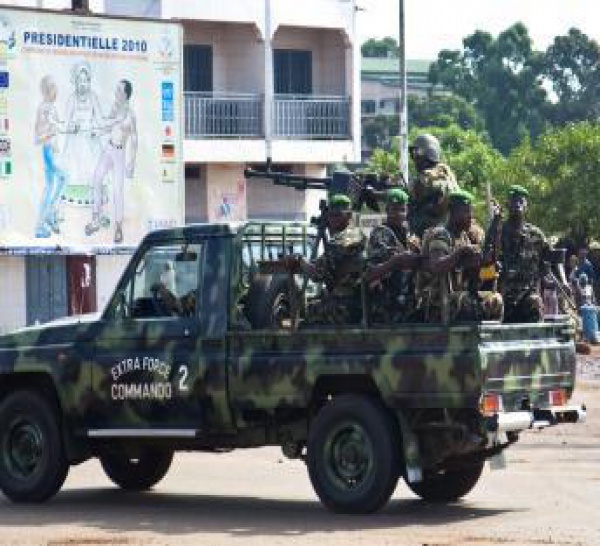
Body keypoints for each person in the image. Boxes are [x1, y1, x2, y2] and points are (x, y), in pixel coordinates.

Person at [420, 189, 503, 323]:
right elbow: (437, 266)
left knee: (495, 300)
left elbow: (474, 280)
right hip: (436, 300)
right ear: (453, 212)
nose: (470, 216)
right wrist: (461, 252)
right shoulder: (441, 234)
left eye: (471, 212)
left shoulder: (464, 238)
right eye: (466, 211)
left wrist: (485, 266)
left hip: (457, 297)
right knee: (467, 303)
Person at [287, 194, 366, 325]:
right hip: (362, 305)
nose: (332, 219)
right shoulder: (358, 234)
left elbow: (316, 274)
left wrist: (300, 260)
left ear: (348, 216)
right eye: (330, 215)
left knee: (307, 316)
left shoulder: (340, 240)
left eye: (338, 215)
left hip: (345, 308)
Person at [496, 185, 563, 323]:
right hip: (503, 295)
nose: (517, 204)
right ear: (508, 205)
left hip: (528, 296)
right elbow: (487, 259)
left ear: (527, 206)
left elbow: (553, 257)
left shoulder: (536, 234)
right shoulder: (498, 232)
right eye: (514, 200)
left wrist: (564, 281)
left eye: (521, 201)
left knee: (535, 303)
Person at [85, 79, 138, 244]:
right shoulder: (115, 107)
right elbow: (108, 127)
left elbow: (135, 139)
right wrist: (98, 133)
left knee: (117, 191)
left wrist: (132, 162)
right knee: (96, 179)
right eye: (116, 90)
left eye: (119, 91)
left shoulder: (130, 115)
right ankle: (95, 219)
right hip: (108, 149)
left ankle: (118, 228)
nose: (116, 93)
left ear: (126, 95)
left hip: (120, 154)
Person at [365, 188, 422, 323]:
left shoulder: (410, 235)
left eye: (402, 210)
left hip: (408, 302)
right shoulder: (381, 234)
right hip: (386, 303)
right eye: (394, 209)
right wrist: (396, 261)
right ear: (387, 210)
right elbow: (372, 272)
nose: (398, 214)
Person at [34, 75, 67, 238]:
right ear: (46, 91)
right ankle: (43, 221)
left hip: (53, 153)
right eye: (53, 87)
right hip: (48, 153)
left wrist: (67, 128)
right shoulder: (44, 109)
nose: (56, 91)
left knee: (53, 185)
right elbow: (37, 137)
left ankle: (48, 217)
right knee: (60, 180)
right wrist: (51, 132)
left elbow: (59, 126)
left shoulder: (51, 107)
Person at [408, 133, 459, 237]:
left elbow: (424, 186)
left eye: (418, 152)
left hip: (437, 234)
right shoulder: (445, 172)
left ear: (431, 153)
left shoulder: (436, 174)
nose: (415, 157)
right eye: (414, 153)